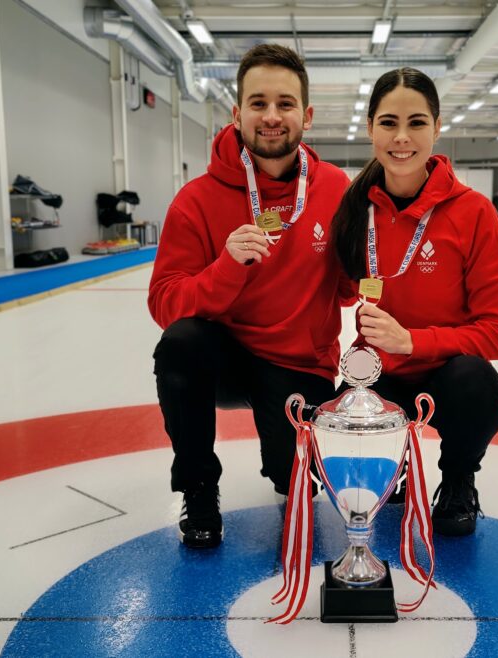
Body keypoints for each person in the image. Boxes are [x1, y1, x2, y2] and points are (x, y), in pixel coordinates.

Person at [148, 44, 352, 549]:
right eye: (258, 103)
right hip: (228, 359)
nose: (272, 116)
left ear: (306, 115)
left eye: (285, 104)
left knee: (292, 483)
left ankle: (291, 461)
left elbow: (349, 292)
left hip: (300, 364)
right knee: (181, 343)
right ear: (237, 114)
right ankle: (197, 487)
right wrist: (226, 268)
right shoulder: (195, 200)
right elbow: (165, 303)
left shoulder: (334, 188)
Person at [331, 67, 498, 536]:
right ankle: (394, 465)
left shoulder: (473, 212)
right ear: (371, 127)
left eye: (416, 122)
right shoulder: (355, 208)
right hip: (375, 377)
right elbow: (332, 290)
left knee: (478, 383)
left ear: (436, 126)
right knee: (323, 454)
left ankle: (457, 479)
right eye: (389, 122)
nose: (402, 137)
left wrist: (412, 341)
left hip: (446, 375)